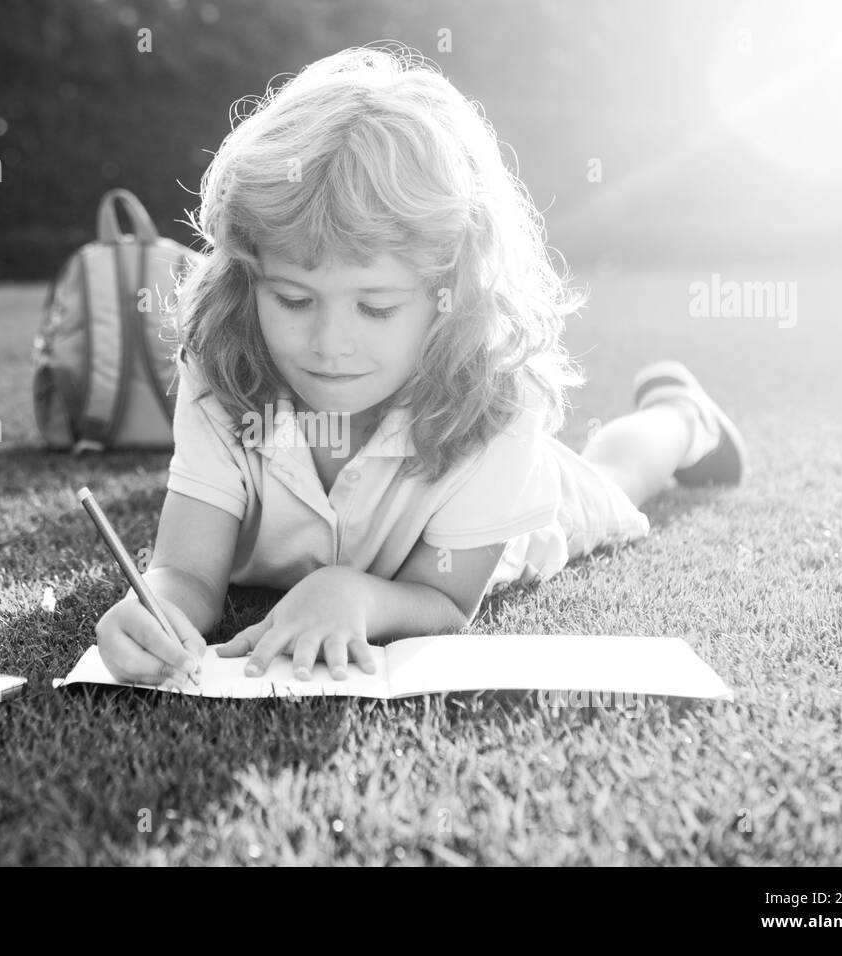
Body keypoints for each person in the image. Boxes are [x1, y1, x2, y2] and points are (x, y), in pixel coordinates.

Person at [94, 44, 747, 687]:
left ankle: (683, 418)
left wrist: (352, 593)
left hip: (511, 517)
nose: (329, 343)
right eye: (293, 299)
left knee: (616, 476)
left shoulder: (495, 407)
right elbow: (188, 570)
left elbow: (443, 600)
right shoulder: (224, 368)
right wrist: (158, 607)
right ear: (246, 279)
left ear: (453, 294)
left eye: (375, 308)